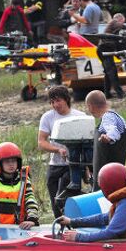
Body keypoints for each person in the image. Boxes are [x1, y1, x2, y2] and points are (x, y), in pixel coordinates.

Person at [59, 163, 126, 242]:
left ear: (107, 186)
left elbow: (110, 233)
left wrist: (79, 237)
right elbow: (103, 218)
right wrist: (72, 221)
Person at [38, 86, 87, 218]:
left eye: (58, 101)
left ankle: (73, 218)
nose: (55, 105)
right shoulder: (47, 117)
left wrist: (87, 169)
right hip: (55, 163)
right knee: (54, 198)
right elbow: (41, 142)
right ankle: (59, 222)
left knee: (62, 194)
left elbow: (87, 142)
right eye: (52, 102)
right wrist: (58, 150)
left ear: (66, 99)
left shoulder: (80, 116)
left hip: (74, 164)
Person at [85, 90, 126, 191]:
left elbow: (113, 130)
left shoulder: (108, 117)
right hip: (119, 174)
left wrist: (109, 137)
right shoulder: (117, 116)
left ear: (90, 106)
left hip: (108, 179)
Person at [97, 13, 126, 99]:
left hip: (102, 49)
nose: (123, 23)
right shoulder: (114, 22)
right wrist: (125, 29)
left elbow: (116, 42)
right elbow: (121, 27)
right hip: (104, 49)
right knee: (112, 71)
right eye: (123, 21)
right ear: (120, 19)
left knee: (108, 72)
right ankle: (120, 94)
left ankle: (107, 94)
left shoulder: (112, 28)